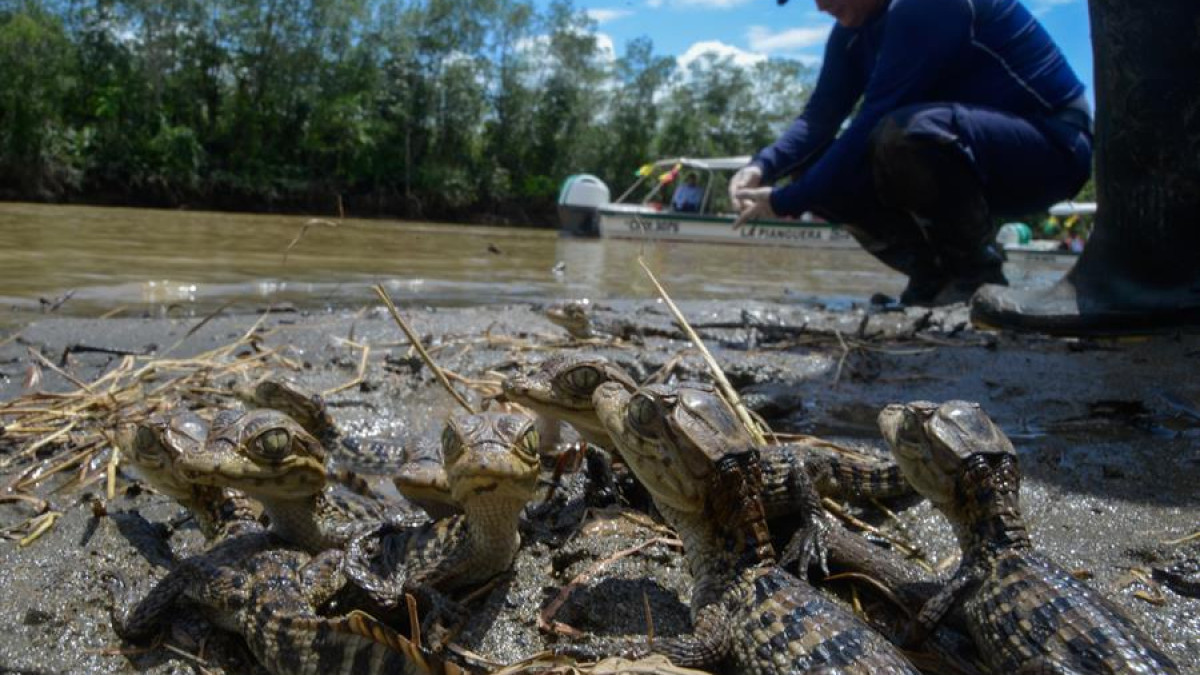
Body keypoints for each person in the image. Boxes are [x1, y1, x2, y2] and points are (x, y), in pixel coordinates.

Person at [730, 0, 1092, 306]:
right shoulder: (849, 37)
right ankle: (931, 274)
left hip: (1053, 149)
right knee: (819, 160)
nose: (820, 5)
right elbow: (819, 118)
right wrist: (763, 166)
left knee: (902, 133)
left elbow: (873, 117)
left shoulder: (924, 6)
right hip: (958, 150)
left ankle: (974, 275)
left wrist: (787, 200)